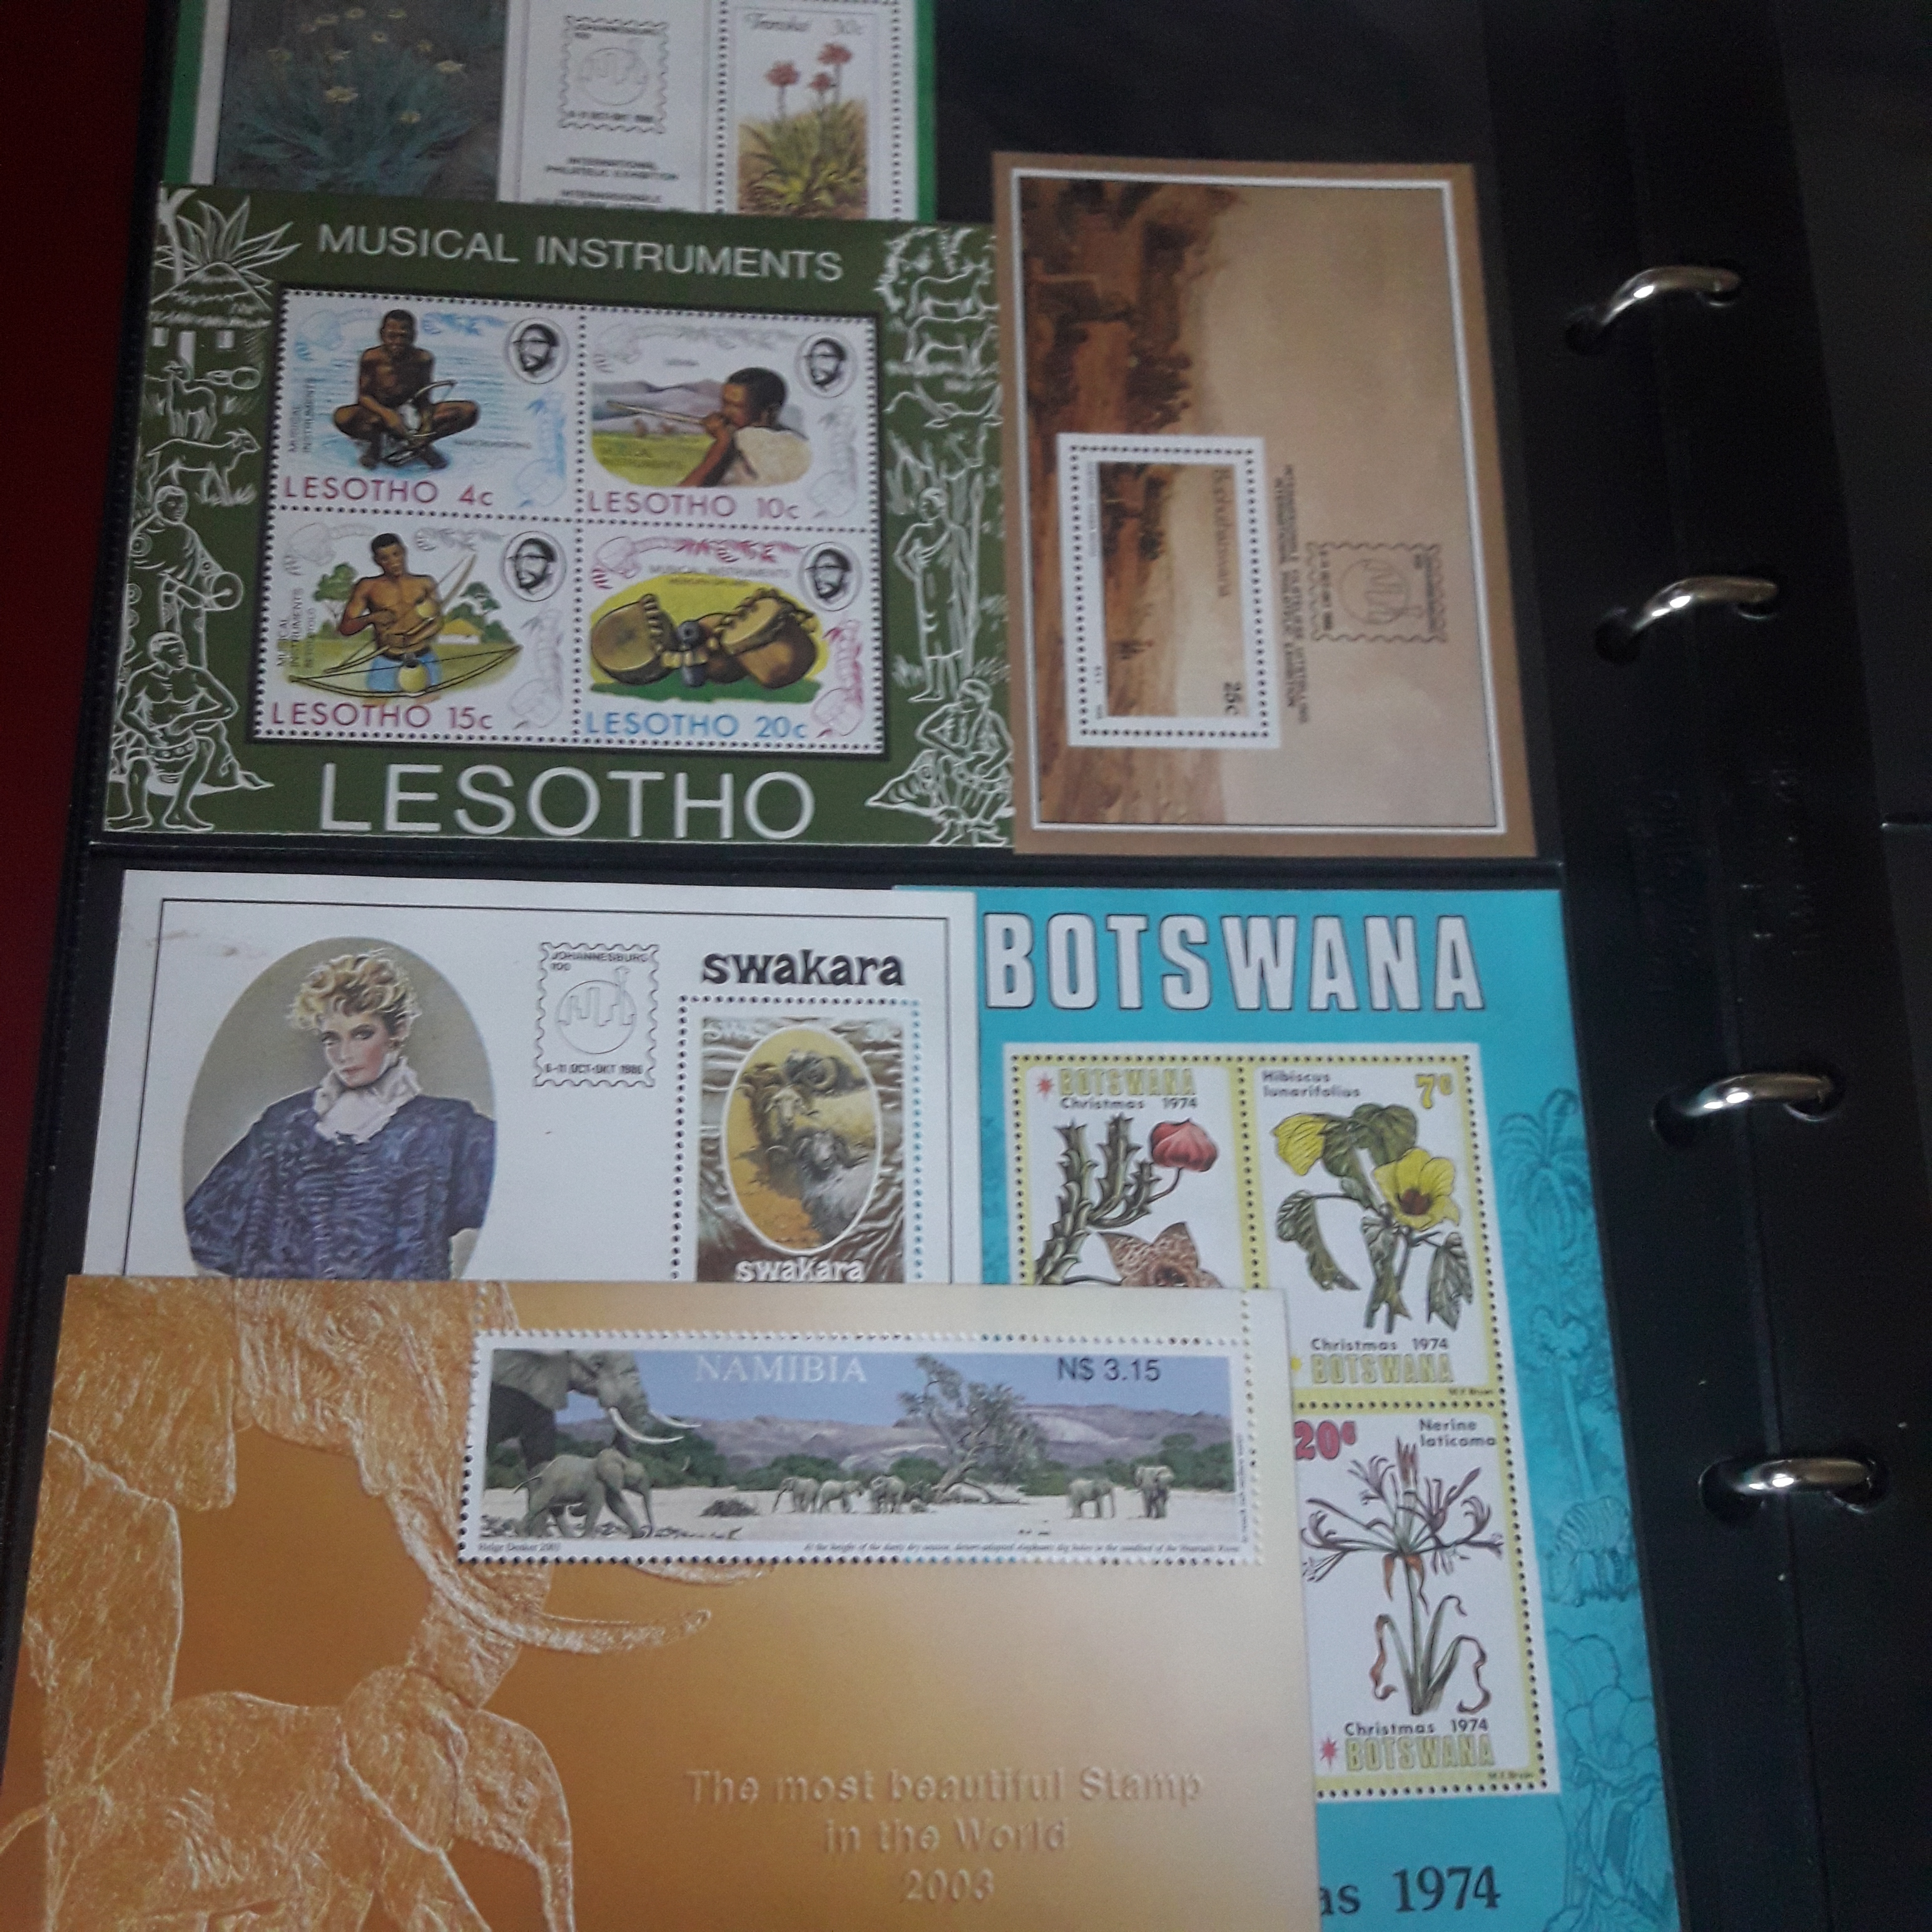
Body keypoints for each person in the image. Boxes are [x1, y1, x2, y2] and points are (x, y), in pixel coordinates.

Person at [183, 951, 495, 1279]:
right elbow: (204, 1233)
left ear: (398, 1031)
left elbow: (521, 1202)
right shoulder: (284, 1125)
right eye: (331, 1039)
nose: (344, 1055)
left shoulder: (447, 1129)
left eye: (362, 1035)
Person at [332, 308, 479, 470]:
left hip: (412, 415)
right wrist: (388, 415)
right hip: (379, 417)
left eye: (403, 336)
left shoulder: (424, 359)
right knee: (342, 417)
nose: (398, 342)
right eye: (392, 336)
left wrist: (426, 427)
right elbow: (364, 397)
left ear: (413, 336)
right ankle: (376, 446)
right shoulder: (371, 358)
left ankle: (421, 445)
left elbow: (424, 398)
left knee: (469, 410)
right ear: (382, 335)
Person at [337, 532, 444, 692]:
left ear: (404, 552)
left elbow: (438, 622)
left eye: (396, 554)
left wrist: (411, 639)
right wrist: (372, 618)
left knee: (432, 702)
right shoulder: (367, 587)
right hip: (387, 661)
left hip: (424, 658)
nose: (394, 562)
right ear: (376, 561)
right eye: (385, 558)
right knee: (375, 704)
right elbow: (345, 628)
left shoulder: (425, 583)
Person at [679, 367, 810, 487]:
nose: (726, 413)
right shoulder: (737, 439)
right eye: (726, 404)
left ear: (769, 413)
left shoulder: (765, 442)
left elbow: (690, 490)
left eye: (737, 406)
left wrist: (723, 442)